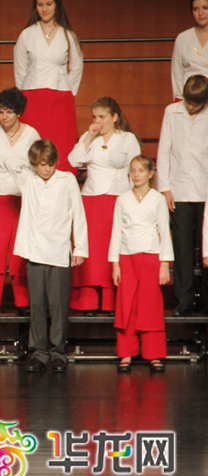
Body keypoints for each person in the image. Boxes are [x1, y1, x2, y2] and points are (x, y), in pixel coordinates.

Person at [9, 139, 88, 373]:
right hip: (34, 252)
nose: (46, 168)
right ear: (34, 164)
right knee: (37, 304)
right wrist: (32, 160)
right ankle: (39, 352)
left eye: (50, 163)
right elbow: (9, 161)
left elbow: (78, 213)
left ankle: (58, 351)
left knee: (58, 305)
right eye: (41, 164)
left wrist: (80, 248)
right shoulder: (28, 180)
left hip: (59, 250)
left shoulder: (67, 180)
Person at [68, 97, 141, 315]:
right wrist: (90, 135)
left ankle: (110, 301)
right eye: (94, 117)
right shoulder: (89, 138)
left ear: (114, 117)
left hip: (117, 198)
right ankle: (88, 301)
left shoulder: (126, 139)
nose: (98, 121)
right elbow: (73, 160)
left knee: (112, 248)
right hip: (91, 199)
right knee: (92, 252)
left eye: (102, 117)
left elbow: (136, 167)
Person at [0, 88, 39, 317]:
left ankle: (24, 301)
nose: (4, 117)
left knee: (21, 250)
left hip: (23, 197)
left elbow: (35, 169)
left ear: (19, 112)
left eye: (9, 112)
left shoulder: (32, 134)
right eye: (1, 112)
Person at [110, 155, 173, 373]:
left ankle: (154, 354)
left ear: (150, 173)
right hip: (127, 256)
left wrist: (164, 263)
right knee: (127, 304)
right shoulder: (123, 199)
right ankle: (126, 353)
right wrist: (115, 264)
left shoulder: (157, 199)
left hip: (150, 255)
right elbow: (116, 232)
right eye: (132, 170)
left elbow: (164, 232)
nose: (135, 174)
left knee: (150, 305)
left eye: (140, 170)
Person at [14, 0, 82, 175]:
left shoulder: (68, 35)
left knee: (62, 144)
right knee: (34, 144)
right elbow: (20, 70)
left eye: (49, 4)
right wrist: (25, 95)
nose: (44, 9)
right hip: (33, 98)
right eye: (40, 4)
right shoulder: (27, 35)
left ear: (57, 6)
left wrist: (68, 93)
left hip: (61, 97)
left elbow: (76, 68)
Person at [158, 74, 208, 315]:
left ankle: (206, 301)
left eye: (195, 103)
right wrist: (165, 187)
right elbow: (164, 150)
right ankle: (185, 300)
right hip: (178, 190)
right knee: (183, 248)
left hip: (205, 191)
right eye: (188, 101)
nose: (189, 106)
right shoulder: (171, 112)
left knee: (207, 249)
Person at [171, 0, 208, 101]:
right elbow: (176, 72)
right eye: (195, 9)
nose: (200, 13)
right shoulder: (183, 38)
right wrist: (179, 99)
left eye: (205, 8)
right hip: (189, 98)